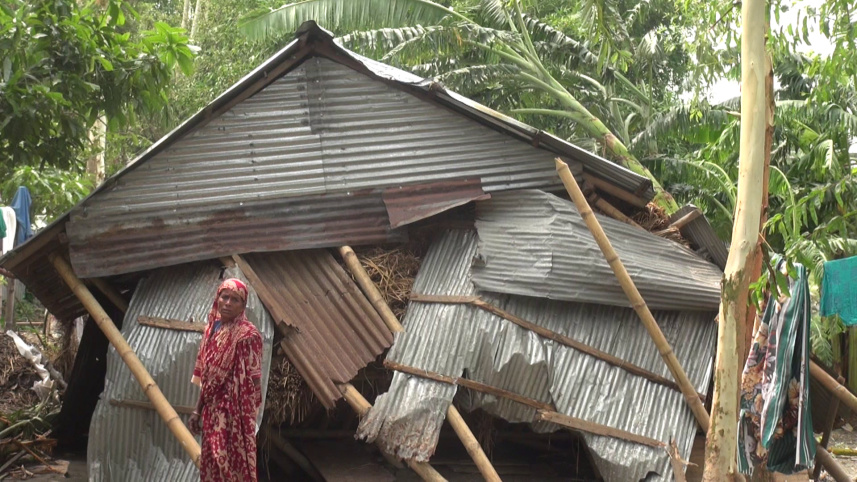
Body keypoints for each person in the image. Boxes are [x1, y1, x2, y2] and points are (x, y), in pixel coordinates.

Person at [189, 278, 263, 482]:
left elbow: (254, 383)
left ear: (243, 305)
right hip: (211, 410)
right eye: (225, 297)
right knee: (211, 463)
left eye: (235, 300)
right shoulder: (211, 330)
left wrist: (244, 418)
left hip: (235, 414)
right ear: (218, 298)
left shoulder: (248, 335)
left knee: (229, 465)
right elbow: (208, 377)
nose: (228, 303)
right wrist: (198, 410)